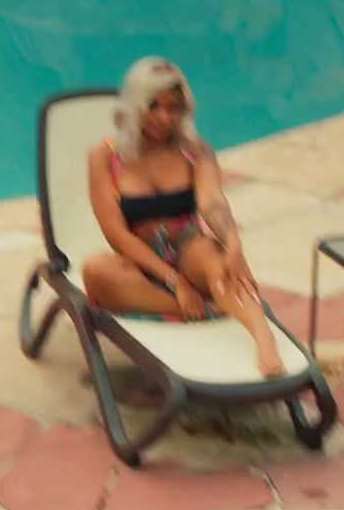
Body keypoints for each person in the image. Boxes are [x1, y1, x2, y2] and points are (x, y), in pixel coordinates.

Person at [82, 56, 283, 377]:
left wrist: (233, 245)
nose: (165, 117)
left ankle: (264, 338)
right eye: (154, 106)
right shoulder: (105, 156)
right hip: (141, 260)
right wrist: (175, 282)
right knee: (96, 272)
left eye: (174, 107)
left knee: (219, 262)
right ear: (135, 107)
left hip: (188, 247)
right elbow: (116, 235)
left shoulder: (195, 150)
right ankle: (206, 308)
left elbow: (212, 202)